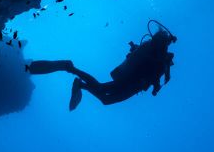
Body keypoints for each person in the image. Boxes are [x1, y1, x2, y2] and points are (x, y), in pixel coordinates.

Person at [27, 21, 178, 110]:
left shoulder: (150, 49)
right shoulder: (161, 57)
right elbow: (161, 76)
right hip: (132, 84)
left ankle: (77, 78)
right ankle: (73, 73)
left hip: (129, 79)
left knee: (102, 93)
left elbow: (151, 70)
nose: (168, 44)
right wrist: (157, 86)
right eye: (167, 42)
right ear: (164, 42)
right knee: (105, 98)